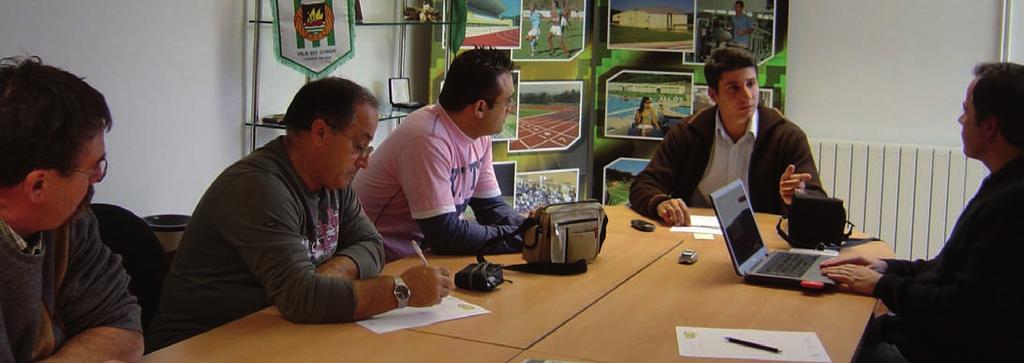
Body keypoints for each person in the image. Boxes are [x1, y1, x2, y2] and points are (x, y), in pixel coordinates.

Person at [146, 78, 453, 351]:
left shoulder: (333, 181)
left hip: (275, 334)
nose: (364, 162)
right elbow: (303, 300)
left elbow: (372, 245)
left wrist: (328, 277)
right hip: (204, 345)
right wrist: (402, 290)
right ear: (320, 133)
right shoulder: (258, 188)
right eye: (359, 146)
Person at [820, 62, 1024, 362]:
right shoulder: (1005, 185)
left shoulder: (1013, 205)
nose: (960, 119)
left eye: (966, 111)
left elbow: (962, 309)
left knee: (837, 346)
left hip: (944, 349)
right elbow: (949, 271)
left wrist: (881, 285)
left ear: (990, 126)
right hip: (933, 338)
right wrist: (888, 267)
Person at [0, 57, 142, 362]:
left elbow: (121, 327)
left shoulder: (68, 223)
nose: (98, 178)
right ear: (37, 185)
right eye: (92, 167)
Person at [354, 48, 523, 263]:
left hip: (422, 258)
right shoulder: (427, 138)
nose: (511, 108)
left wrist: (530, 229)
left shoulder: (479, 135)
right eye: (507, 101)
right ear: (480, 108)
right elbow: (446, 235)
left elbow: (490, 207)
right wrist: (521, 239)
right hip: (381, 263)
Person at [629, 47, 824, 226]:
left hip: (760, 238)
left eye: (751, 84)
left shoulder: (786, 136)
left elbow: (818, 201)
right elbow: (643, 184)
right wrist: (660, 203)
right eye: (734, 87)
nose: (747, 95)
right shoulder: (687, 133)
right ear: (713, 95)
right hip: (694, 234)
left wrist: (798, 196)